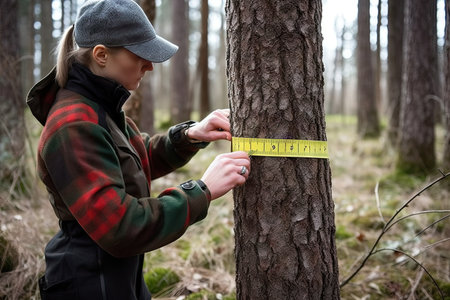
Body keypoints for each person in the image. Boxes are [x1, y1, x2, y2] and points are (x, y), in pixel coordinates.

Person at [26, 0, 250, 299]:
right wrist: (201, 189)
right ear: (101, 55)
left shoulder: (100, 108)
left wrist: (191, 134)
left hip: (117, 275)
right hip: (88, 283)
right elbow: (121, 226)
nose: (150, 66)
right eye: (140, 55)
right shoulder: (73, 124)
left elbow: (135, 156)